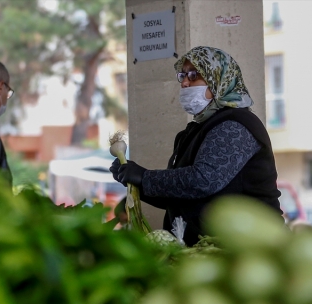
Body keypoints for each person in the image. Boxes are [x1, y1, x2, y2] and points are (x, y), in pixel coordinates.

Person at [110, 46, 282, 246]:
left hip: (252, 246)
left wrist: (145, 176)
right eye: (182, 75)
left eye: (193, 75)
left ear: (218, 78)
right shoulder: (195, 130)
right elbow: (182, 194)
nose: (184, 82)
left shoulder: (235, 125)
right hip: (208, 248)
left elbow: (203, 180)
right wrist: (135, 181)